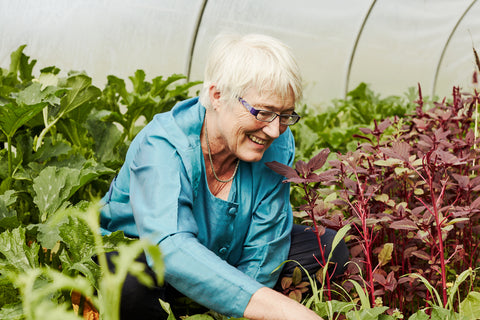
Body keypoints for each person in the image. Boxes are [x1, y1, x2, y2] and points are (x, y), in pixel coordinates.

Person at [99, 33, 348, 320]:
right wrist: (285, 311)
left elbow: (267, 244)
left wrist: (248, 309)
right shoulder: (161, 145)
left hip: (224, 255)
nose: (274, 130)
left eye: (286, 115)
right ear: (218, 96)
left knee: (328, 247)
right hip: (154, 263)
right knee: (128, 282)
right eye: (264, 112)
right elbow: (169, 247)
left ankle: (219, 306)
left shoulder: (277, 142)